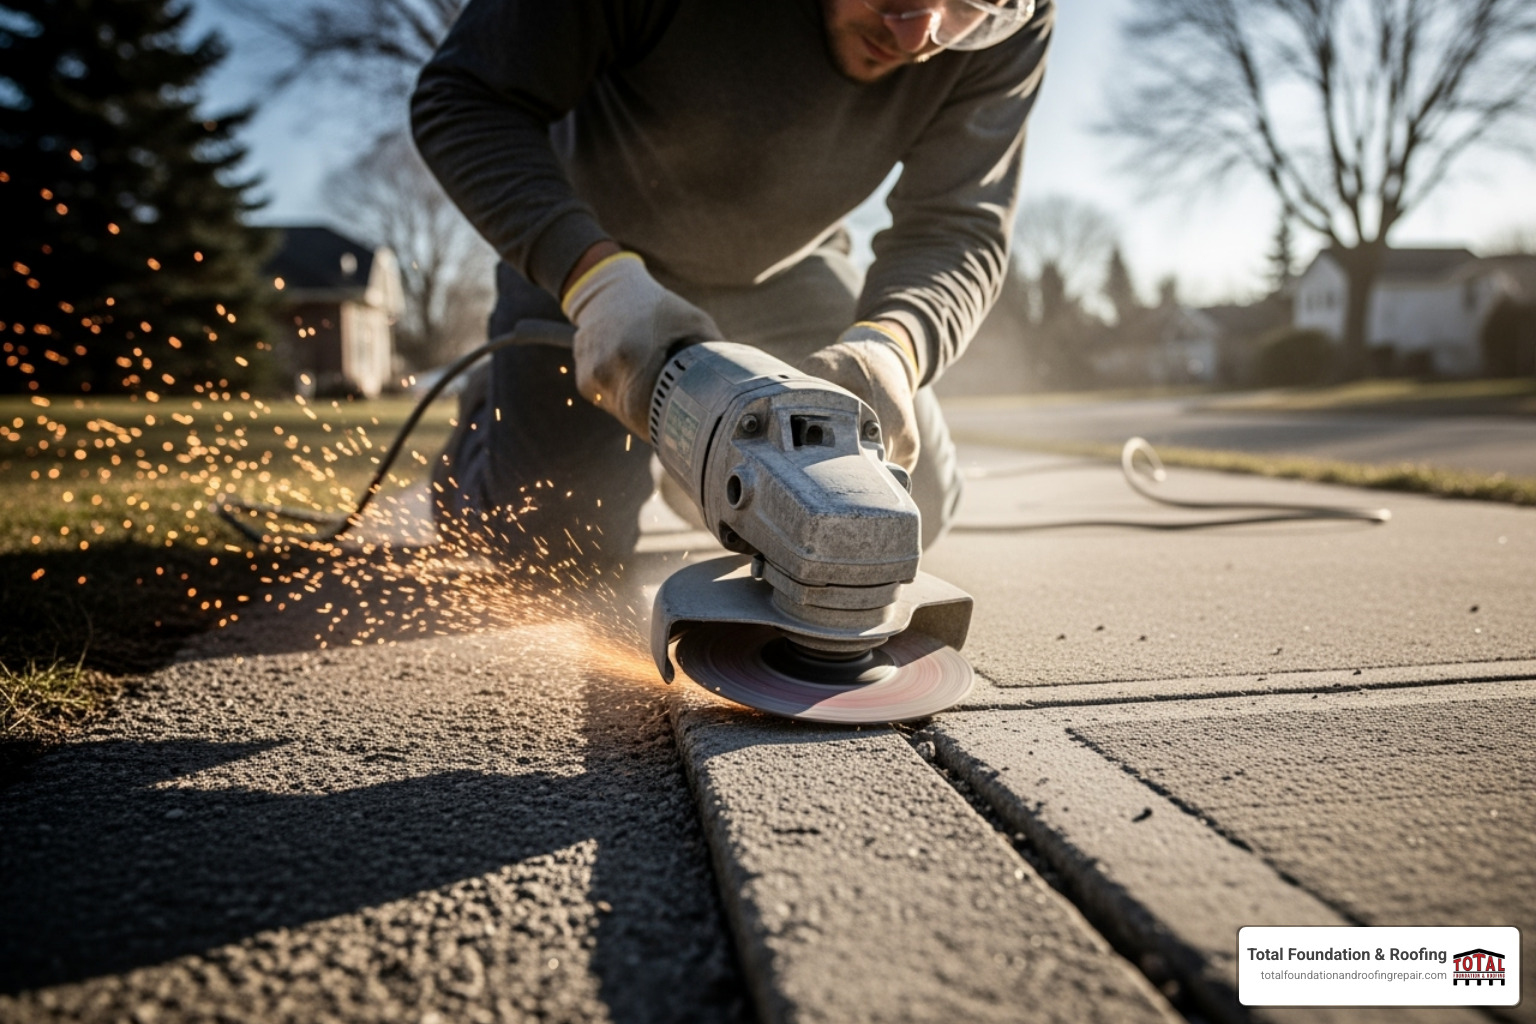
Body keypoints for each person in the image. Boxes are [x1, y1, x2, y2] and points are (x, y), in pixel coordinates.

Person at [411, 0, 1052, 570]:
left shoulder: (1014, 20)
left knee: (898, 510)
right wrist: (593, 281)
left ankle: (695, 468)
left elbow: (958, 222)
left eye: (967, 9)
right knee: (552, 548)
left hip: (788, 269)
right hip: (590, 257)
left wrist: (895, 345)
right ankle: (483, 429)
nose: (917, 35)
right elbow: (464, 97)